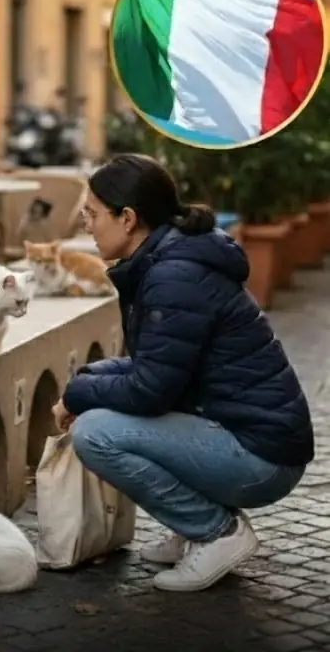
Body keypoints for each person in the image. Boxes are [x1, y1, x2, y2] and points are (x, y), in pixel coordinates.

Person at [52, 153, 313, 593]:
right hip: (242, 432)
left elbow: (151, 390)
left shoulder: (174, 275)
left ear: (128, 218)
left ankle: (216, 532)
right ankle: (193, 528)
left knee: (95, 433)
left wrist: (80, 395)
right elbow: (161, 366)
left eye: (92, 214)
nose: (86, 224)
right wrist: (88, 379)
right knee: (101, 405)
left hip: (262, 456)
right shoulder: (168, 261)